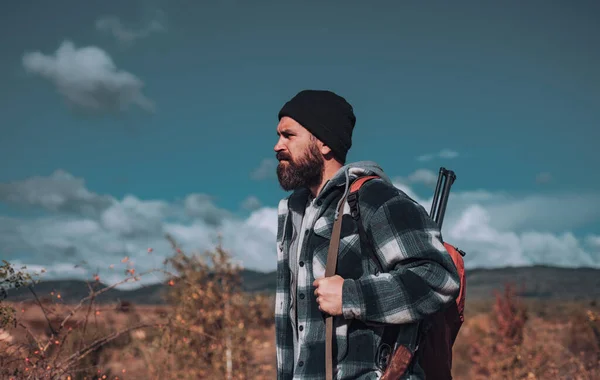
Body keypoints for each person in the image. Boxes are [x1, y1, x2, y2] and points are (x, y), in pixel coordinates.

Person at [273, 89, 460, 379]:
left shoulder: (373, 198)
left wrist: (350, 295)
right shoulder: (294, 216)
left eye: (288, 135)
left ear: (323, 143)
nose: (277, 146)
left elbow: (437, 277)